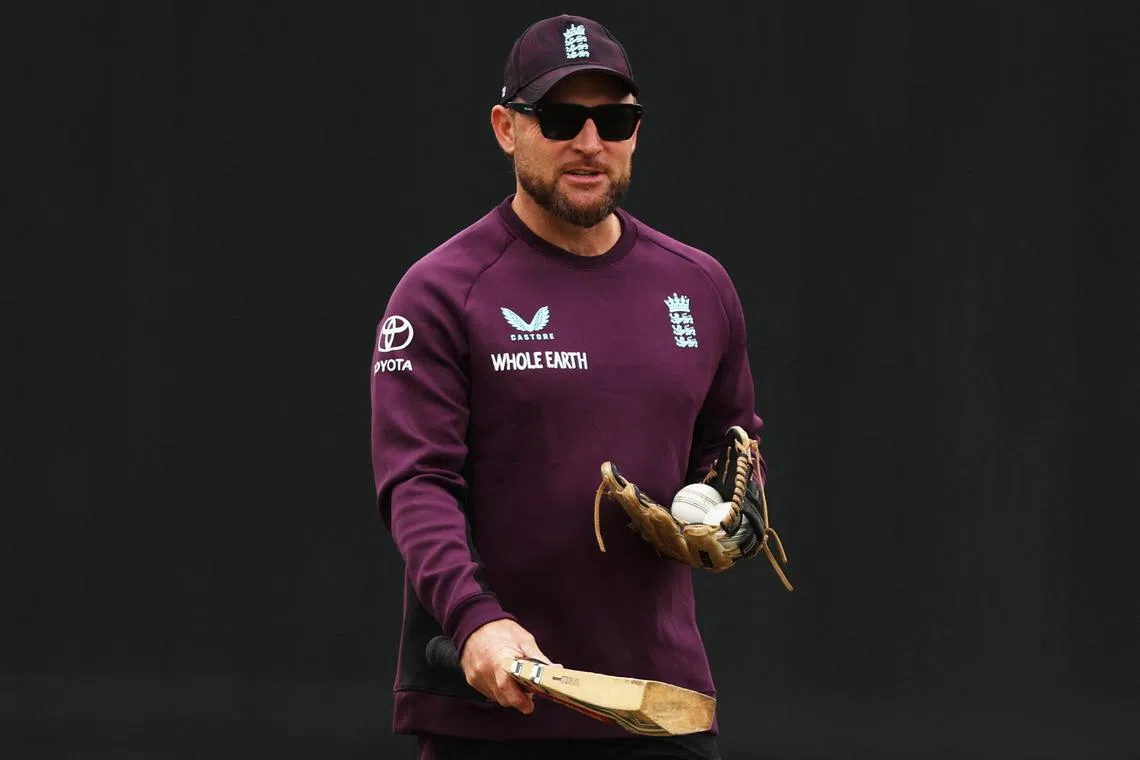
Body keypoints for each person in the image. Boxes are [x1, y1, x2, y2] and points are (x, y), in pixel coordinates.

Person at [371, 13, 769, 760]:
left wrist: (728, 510)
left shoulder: (699, 287)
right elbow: (417, 485)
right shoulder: (440, 292)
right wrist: (474, 619)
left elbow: (733, 442)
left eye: (613, 119)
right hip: (502, 699)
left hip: (659, 709)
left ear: (637, 130)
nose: (590, 143)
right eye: (561, 117)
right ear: (505, 127)